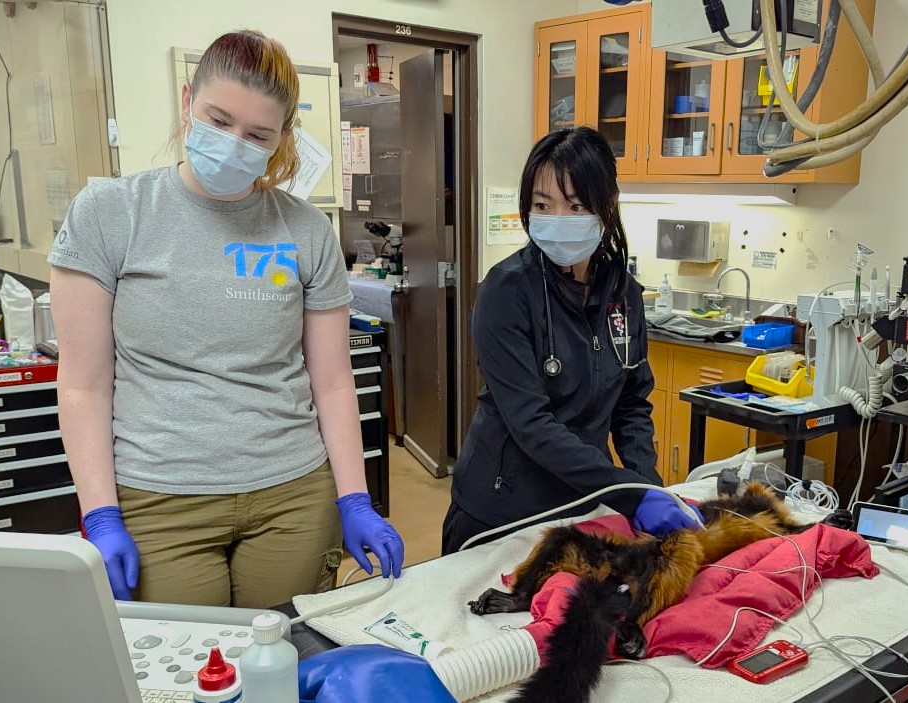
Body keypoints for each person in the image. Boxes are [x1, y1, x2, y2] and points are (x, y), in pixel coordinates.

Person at [48, 30, 403, 608]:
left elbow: (333, 382)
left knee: (286, 657)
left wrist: (355, 499)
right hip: (160, 497)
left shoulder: (306, 231)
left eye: (257, 134)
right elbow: (85, 384)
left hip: (292, 492)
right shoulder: (112, 214)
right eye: (218, 120)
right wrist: (100, 512)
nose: (234, 143)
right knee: (189, 680)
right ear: (188, 100)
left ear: (281, 138)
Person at [442, 126, 699, 554]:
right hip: (501, 512)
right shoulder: (505, 293)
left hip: (580, 505)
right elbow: (532, 425)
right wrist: (629, 493)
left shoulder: (623, 294)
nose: (558, 221)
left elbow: (632, 404)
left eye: (576, 206)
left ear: (607, 207)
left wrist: (648, 486)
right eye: (544, 205)